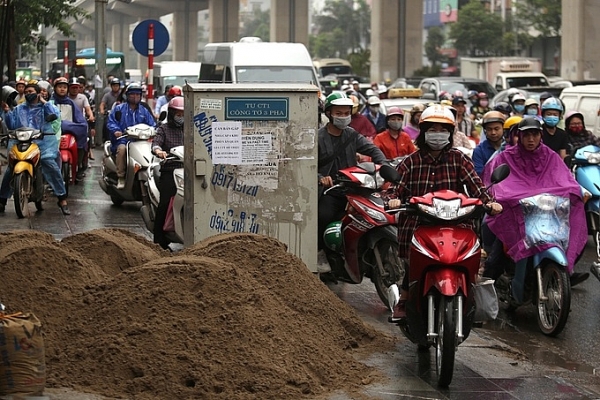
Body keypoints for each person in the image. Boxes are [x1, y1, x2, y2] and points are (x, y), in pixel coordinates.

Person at [386, 105, 503, 321]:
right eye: (433, 129)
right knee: (412, 263)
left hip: (455, 221)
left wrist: (490, 203)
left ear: (450, 133)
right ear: (424, 132)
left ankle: (471, 291)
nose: (437, 134)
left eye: (443, 129)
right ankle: (404, 296)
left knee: (471, 254)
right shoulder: (411, 161)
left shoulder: (459, 159)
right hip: (419, 221)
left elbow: (476, 186)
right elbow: (394, 187)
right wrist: (393, 199)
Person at [482, 117, 589, 286]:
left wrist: (578, 190)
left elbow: (564, 178)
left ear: (541, 136)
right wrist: (505, 199)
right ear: (519, 136)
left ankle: (567, 270)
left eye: (535, 134)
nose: (531, 139)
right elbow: (498, 185)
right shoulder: (506, 157)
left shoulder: (550, 155)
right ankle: (487, 284)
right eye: (526, 135)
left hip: (546, 212)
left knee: (569, 229)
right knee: (496, 259)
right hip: (517, 212)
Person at [317, 92, 387, 273]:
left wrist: (385, 166)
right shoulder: (318, 137)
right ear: (329, 114)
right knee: (323, 216)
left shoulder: (352, 134)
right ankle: (320, 253)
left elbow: (372, 149)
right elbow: (308, 165)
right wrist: (320, 179)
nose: (343, 117)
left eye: (346, 113)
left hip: (353, 188)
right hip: (329, 191)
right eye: (338, 113)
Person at [0, 81, 70, 215]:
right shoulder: (20, 108)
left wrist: (44, 101)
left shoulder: (45, 107)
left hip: (44, 143)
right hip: (22, 142)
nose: (27, 94)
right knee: (11, 167)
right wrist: (7, 111)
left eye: (30, 92)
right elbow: (12, 125)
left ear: (38, 93)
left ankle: (62, 199)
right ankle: (2, 200)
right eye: (26, 92)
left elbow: (54, 115)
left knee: (49, 163)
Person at [107, 83, 156, 189]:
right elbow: (111, 122)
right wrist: (116, 131)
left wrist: (154, 131)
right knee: (122, 150)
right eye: (132, 94)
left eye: (138, 95)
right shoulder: (119, 109)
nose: (135, 97)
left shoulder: (144, 110)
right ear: (127, 95)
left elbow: (152, 124)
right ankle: (121, 177)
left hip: (140, 141)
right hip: (123, 140)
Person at [151, 97, 184, 250]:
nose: (181, 116)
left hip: (188, 171)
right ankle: (158, 239)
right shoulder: (163, 129)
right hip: (170, 170)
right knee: (165, 202)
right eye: (178, 113)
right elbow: (156, 143)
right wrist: (159, 151)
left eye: (183, 113)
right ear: (171, 113)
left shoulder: (191, 129)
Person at [52, 77, 90, 182]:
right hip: (52, 134)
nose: (62, 89)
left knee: (83, 138)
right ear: (55, 88)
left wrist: (66, 125)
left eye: (64, 87)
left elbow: (80, 120)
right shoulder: (50, 102)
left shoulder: (70, 103)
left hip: (68, 133)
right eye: (60, 87)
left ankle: (78, 166)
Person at [472, 111, 506, 176]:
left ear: (503, 129)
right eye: (489, 129)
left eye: (496, 129)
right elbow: (479, 174)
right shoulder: (479, 151)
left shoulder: (510, 147)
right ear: (485, 131)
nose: (493, 132)